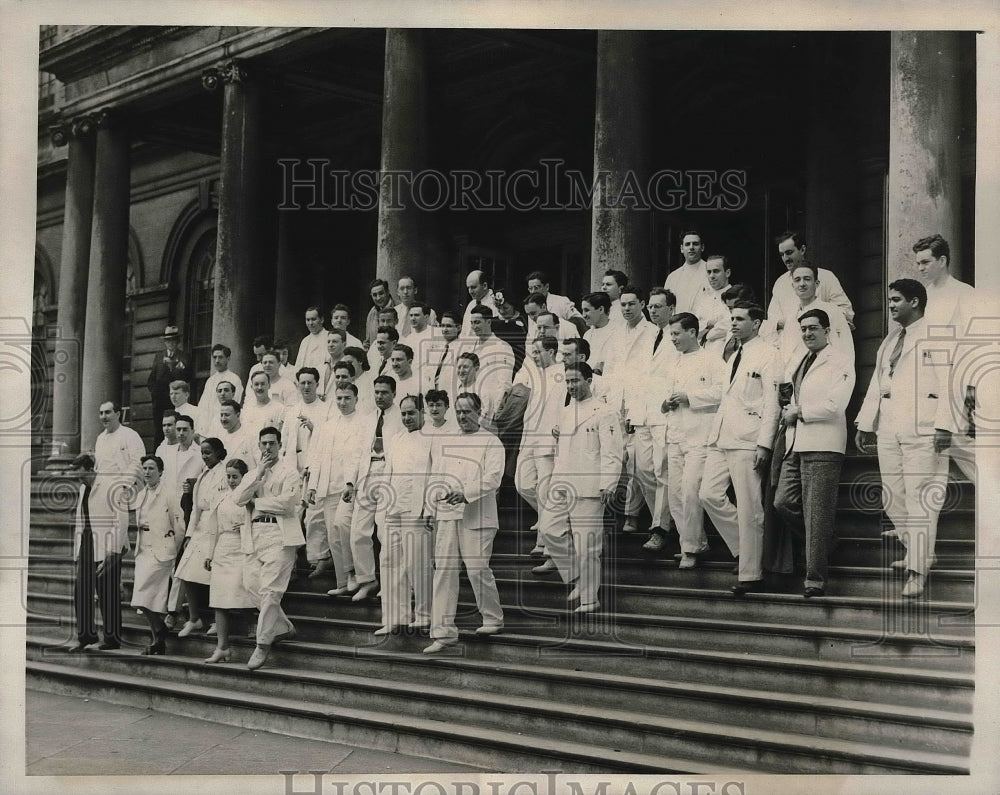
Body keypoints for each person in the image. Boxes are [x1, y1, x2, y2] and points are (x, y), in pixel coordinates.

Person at [856, 279, 957, 598]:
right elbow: (878, 382)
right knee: (892, 496)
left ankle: (917, 570)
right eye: (889, 299)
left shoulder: (936, 335)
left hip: (924, 429)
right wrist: (864, 423)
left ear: (915, 302)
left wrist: (945, 425)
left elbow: (950, 384)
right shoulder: (889, 341)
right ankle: (920, 553)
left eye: (896, 299)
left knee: (921, 499)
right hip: (890, 427)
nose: (890, 305)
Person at [699, 302, 781, 596]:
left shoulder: (769, 355)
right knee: (708, 493)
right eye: (731, 318)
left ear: (757, 323)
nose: (733, 323)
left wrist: (765, 443)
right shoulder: (734, 353)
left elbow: (773, 403)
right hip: (722, 435)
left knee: (750, 507)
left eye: (740, 319)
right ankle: (744, 548)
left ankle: (752, 573)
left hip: (748, 437)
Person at [773, 308, 855, 597]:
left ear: (827, 331)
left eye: (813, 328)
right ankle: (827, 542)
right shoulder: (801, 360)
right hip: (797, 443)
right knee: (783, 502)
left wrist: (800, 412)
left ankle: (815, 579)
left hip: (824, 443)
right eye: (804, 329)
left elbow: (836, 405)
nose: (808, 333)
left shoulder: (840, 360)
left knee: (817, 513)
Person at [536, 363, 624, 614]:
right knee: (549, 529)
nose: (571, 386)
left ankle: (589, 599)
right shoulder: (565, 412)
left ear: (589, 381)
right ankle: (576, 575)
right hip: (562, 482)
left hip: (589, 486)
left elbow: (612, 452)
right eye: (567, 382)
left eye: (576, 381)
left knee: (587, 546)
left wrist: (608, 484)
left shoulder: (604, 411)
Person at [424, 392, 506, 652]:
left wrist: (466, 493)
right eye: (458, 412)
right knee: (444, 573)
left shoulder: (491, 442)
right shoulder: (446, 441)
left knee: (477, 568)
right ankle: (443, 633)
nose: (462, 416)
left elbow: (493, 478)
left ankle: (493, 618)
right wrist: (430, 508)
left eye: (467, 412)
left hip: (478, 516)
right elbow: (436, 476)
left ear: (479, 412)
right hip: (447, 514)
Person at [234, 426, 304, 670]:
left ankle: (262, 644)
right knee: (252, 586)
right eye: (263, 443)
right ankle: (283, 627)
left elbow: (288, 503)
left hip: (280, 534)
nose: (267, 448)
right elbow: (238, 499)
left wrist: (258, 503)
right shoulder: (254, 473)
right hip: (254, 535)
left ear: (279, 445)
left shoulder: (289, 472)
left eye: (271, 443)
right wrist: (258, 475)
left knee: (271, 591)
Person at [913, 233, 977, 482]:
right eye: (918, 263)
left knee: (967, 448)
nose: (920, 268)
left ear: (942, 260)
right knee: (937, 452)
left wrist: (971, 391)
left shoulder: (965, 293)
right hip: (928, 385)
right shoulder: (923, 296)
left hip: (959, 383)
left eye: (925, 262)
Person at [661, 313, 722, 568]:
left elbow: (722, 392)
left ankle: (690, 550)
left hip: (700, 436)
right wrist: (665, 403)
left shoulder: (712, 360)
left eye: (677, 333)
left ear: (693, 332)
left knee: (690, 491)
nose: (673, 339)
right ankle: (696, 541)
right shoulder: (672, 362)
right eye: (671, 334)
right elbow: (663, 394)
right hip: (676, 434)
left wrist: (690, 397)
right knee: (675, 494)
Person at [621, 288, 677, 549]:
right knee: (643, 470)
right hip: (641, 413)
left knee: (662, 470)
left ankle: (661, 528)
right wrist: (631, 412)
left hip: (665, 413)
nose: (653, 310)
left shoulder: (676, 336)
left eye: (658, 306)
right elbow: (635, 378)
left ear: (671, 309)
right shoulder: (645, 336)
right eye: (651, 306)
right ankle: (669, 518)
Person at [376, 394, 434, 634]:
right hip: (393, 508)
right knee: (389, 562)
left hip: (416, 509)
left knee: (417, 563)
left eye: (412, 413)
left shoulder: (432, 439)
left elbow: (435, 476)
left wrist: (430, 508)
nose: (407, 418)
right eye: (404, 414)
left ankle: (424, 614)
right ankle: (394, 616)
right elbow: (387, 474)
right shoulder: (397, 439)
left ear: (422, 413)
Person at [306, 383, 370, 597]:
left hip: (349, 486)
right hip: (328, 486)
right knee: (333, 535)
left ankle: (353, 573)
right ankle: (342, 582)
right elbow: (318, 457)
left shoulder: (363, 423)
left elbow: (359, 456)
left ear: (356, 399)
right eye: (339, 398)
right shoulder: (328, 425)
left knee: (343, 526)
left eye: (347, 398)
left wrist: (351, 482)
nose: (343, 402)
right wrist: (313, 486)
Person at [345, 375, 403, 602]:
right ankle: (367, 580)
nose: (380, 396)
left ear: (394, 393)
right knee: (358, 531)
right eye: (377, 392)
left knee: (385, 531)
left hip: (389, 476)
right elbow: (357, 452)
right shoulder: (368, 419)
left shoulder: (401, 418)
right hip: (367, 474)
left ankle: (391, 583)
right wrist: (351, 482)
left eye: (384, 392)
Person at [607, 285, 657, 532]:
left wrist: (637, 407)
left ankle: (634, 515)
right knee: (618, 459)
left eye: (631, 304)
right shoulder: (616, 333)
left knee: (639, 462)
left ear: (643, 304)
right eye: (623, 304)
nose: (626, 308)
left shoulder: (653, 333)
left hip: (641, 404)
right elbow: (611, 370)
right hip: (618, 401)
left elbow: (650, 374)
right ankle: (620, 512)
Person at [174, 437, 230, 637]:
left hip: (218, 527)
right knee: (186, 573)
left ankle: (217, 621)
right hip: (200, 528)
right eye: (203, 453)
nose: (205, 457)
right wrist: (189, 534)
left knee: (214, 577)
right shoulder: (203, 474)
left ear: (218, 453)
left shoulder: (225, 473)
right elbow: (196, 509)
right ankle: (194, 618)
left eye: (208, 453)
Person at [130, 454, 184, 654]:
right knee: (143, 600)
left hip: (162, 550)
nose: (147, 472)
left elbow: (179, 525)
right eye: (144, 468)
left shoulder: (169, 494)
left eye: (151, 468)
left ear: (160, 472)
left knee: (144, 598)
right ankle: (158, 637)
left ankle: (158, 635)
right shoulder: (141, 494)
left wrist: (175, 550)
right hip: (144, 549)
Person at [516, 336, 564, 560]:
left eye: (537, 352)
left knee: (544, 491)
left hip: (548, 440)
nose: (533, 356)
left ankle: (544, 542)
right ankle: (554, 519)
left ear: (552, 352)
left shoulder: (563, 373)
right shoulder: (536, 375)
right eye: (532, 353)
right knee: (523, 484)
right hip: (529, 439)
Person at [280, 367, 332, 577]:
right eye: (302, 383)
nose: (306, 387)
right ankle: (289, 562)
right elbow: (284, 442)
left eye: (310, 382)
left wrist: (314, 428)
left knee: (314, 517)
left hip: (316, 466)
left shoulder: (326, 409)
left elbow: (329, 439)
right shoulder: (291, 410)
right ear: (297, 384)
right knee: (293, 514)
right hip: (295, 466)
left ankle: (318, 558)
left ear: (317, 384)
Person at [204, 457, 255, 664]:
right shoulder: (221, 498)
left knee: (246, 591)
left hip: (243, 548)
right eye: (229, 477)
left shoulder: (248, 498)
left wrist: (243, 529)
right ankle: (222, 647)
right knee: (219, 599)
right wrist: (209, 553)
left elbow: (254, 524)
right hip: (223, 549)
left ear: (244, 478)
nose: (232, 481)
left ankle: (253, 630)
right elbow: (213, 528)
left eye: (235, 477)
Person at [765, 231, 855, 336]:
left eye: (789, 252)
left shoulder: (826, 277)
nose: (786, 258)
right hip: (790, 345)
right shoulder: (780, 284)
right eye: (782, 254)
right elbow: (772, 321)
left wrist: (817, 320)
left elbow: (846, 313)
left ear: (802, 250)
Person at [770, 264, 854, 371]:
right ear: (793, 286)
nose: (802, 284)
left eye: (807, 279)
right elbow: (787, 355)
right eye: (797, 280)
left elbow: (845, 352)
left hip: (824, 377)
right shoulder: (791, 318)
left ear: (817, 283)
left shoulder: (832, 312)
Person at [463, 305, 514, 424]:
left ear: (488, 322)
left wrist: (496, 413)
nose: (474, 327)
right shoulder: (469, 347)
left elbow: (504, 383)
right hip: (468, 405)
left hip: (488, 410)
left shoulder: (502, 347)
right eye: (472, 323)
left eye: (477, 322)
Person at [147, 325, 191, 447]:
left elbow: (187, 378)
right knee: (159, 432)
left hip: (176, 402)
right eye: (168, 340)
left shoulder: (184, 357)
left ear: (177, 342)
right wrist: (154, 394)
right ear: (165, 342)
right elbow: (151, 379)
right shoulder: (159, 356)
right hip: (159, 402)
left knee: (177, 431)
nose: (170, 343)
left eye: (173, 340)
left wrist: (173, 367)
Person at [691, 255, 734, 350]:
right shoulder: (702, 298)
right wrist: (709, 323)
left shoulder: (735, 296)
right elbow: (693, 325)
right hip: (700, 350)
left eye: (716, 271)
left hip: (723, 350)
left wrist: (705, 333)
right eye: (709, 272)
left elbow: (730, 325)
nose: (712, 276)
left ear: (727, 273)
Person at [664, 230, 710, 314]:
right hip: (677, 324)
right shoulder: (673, 277)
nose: (691, 247)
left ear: (702, 247)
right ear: (682, 248)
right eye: (687, 244)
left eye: (695, 244)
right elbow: (666, 306)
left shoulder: (711, 272)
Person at [201, 343, 244, 421]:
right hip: (208, 421)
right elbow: (203, 404)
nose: (217, 361)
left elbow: (235, 403)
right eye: (214, 357)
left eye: (220, 357)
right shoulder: (210, 381)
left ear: (228, 359)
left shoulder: (234, 379)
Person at [241, 370, 285, 441]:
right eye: (256, 384)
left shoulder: (279, 409)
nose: (259, 387)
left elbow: (282, 436)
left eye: (263, 384)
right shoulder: (247, 409)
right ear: (252, 387)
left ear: (269, 385)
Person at [580, 291, 616, 375]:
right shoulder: (587, 335)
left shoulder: (618, 332)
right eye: (583, 311)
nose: (583, 315)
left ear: (601, 309)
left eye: (587, 310)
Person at [462, 269, 498, 337]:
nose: (470, 291)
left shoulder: (496, 304)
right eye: (468, 288)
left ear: (484, 286)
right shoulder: (471, 305)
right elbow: (464, 331)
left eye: (473, 287)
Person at [293, 306, 329, 371]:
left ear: (322, 320)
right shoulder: (305, 341)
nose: (310, 323)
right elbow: (298, 365)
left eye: (313, 319)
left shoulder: (329, 337)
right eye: (308, 320)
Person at [365, 278, 397, 347]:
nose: (378, 298)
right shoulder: (372, 313)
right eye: (374, 295)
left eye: (381, 293)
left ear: (388, 292)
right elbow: (368, 340)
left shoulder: (398, 309)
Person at [318, 328, 347, 400]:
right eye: (328, 342)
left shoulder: (348, 367)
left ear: (344, 344)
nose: (330, 345)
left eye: (334, 342)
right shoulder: (321, 367)